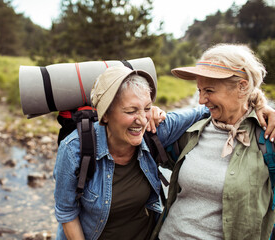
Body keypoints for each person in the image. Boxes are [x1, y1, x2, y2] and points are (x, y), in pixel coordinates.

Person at [53, 65, 213, 240]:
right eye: (131, 111)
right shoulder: (74, 149)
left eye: (146, 108)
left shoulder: (154, 131)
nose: (142, 120)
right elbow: (66, 212)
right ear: (105, 115)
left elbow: (204, 111)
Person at [151, 43, 275, 240]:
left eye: (209, 90)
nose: (201, 100)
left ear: (242, 87)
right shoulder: (191, 129)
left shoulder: (268, 137)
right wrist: (149, 113)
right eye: (199, 90)